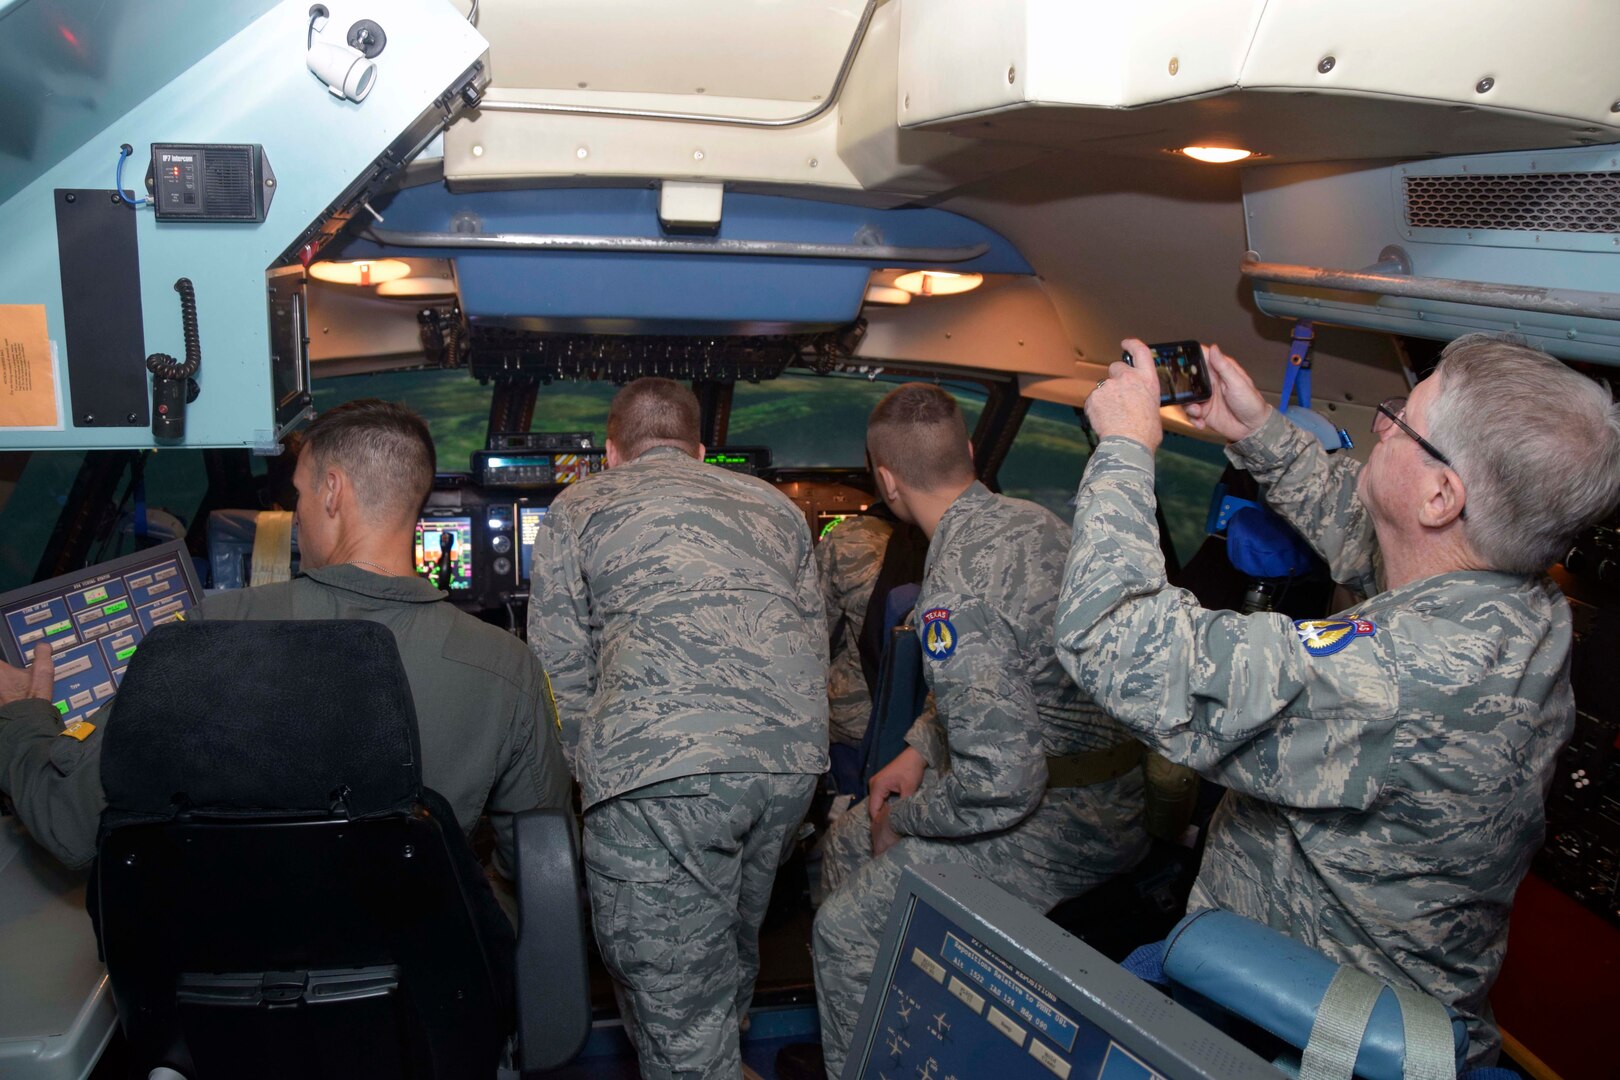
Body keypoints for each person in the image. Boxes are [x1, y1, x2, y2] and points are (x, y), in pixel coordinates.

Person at [1059, 333, 1620, 1066]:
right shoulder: (1522, 604)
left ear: (1443, 494)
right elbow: (1378, 536)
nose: (1381, 424)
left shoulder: (1394, 678)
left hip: (1288, 1018)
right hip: (1359, 983)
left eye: (1400, 419)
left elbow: (1112, 639)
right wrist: (1255, 431)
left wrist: (1126, 449)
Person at [0, 399, 571, 880]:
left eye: (297, 495)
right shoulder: (510, 670)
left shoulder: (202, 637)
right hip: (415, 997)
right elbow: (540, 873)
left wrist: (23, 715)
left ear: (331, 492)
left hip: (220, 997)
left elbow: (68, 824)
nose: (295, 516)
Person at [809, 384, 1150, 1078]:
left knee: (840, 934)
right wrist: (915, 748)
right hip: (1114, 790)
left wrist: (912, 817)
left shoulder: (955, 586)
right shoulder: (1036, 523)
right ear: (968, 452)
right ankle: (893, 1031)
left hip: (1064, 821)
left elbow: (1001, 785)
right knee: (846, 843)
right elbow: (1009, 676)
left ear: (886, 481)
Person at [527, 377, 827, 1080]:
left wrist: (591, 780)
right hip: (786, 767)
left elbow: (557, 672)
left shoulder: (578, 508)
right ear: (699, 448)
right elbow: (813, 644)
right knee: (726, 948)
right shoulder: (777, 508)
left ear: (610, 451)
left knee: (674, 1003)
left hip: (659, 774)